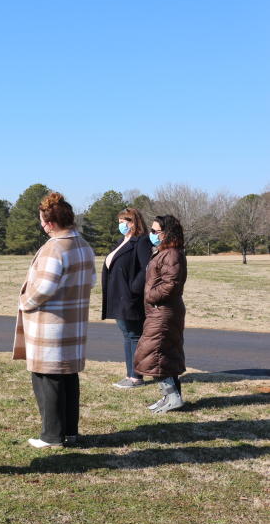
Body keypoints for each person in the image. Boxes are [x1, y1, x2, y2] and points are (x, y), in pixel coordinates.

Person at [13, 192, 96, 448]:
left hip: (50, 325)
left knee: (46, 379)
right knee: (68, 378)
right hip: (74, 322)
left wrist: (24, 301)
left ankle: (51, 436)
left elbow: (45, 287)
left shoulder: (55, 247)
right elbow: (91, 281)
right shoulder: (83, 244)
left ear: (49, 222)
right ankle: (70, 432)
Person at [134, 215, 187, 413]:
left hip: (163, 312)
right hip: (160, 312)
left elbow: (171, 284)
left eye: (156, 232)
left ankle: (173, 397)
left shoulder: (172, 254)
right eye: (152, 231)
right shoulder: (164, 252)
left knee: (152, 354)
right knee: (164, 355)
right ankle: (170, 397)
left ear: (167, 233)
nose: (152, 235)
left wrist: (150, 296)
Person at [101, 207, 153, 389]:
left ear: (133, 222)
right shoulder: (121, 241)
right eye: (119, 222)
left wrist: (134, 289)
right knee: (127, 335)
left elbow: (147, 268)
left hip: (130, 297)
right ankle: (130, 374)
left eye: (124, 221)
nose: (120, 225)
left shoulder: (141, 241)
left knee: (134, 336)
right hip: (117, 296)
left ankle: (136, 376)